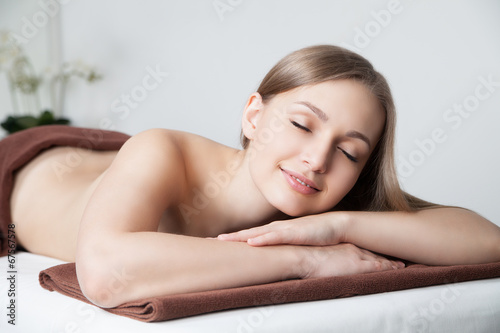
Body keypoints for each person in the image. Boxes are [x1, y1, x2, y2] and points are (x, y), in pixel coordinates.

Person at [5, 45, 500, 309]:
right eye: (302, 125)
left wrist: (336, 229)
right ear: (253, 117)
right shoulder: (164, 149)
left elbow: (487, 242)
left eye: (349, 152)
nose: (316, 160)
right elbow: (105, 274)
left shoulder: (329, 205)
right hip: (26, 168)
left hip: (113, 166)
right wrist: (304, 262)